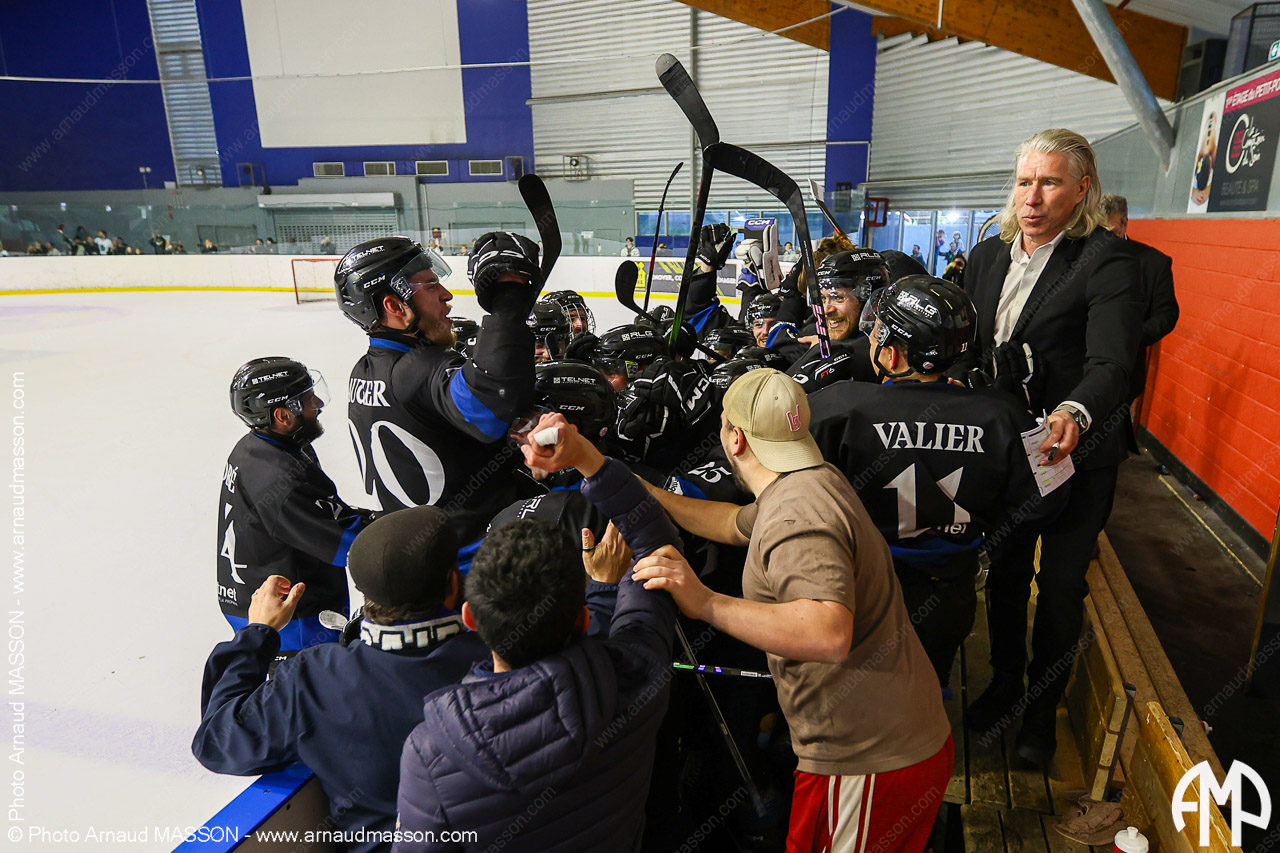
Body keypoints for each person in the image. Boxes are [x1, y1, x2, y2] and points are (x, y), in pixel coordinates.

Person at [631, 369, 952, 851]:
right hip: (900, 738)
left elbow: (827, 632)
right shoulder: (809, 480)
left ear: (735, 438)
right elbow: (732, 523)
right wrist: (651, 495)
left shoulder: (793, 510)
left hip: (868, 760)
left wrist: (705, 602)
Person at [394, 414, 682, 852]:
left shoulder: (431, 752)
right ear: (583, 619)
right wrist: (587, 458)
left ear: (471, 619)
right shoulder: (640, 673)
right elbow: (658, 545)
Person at [953, 128, 1141, 766]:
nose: (1032, 198)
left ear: (1082, 189)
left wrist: (1074, 410)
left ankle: (1041, 708)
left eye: (1050, 183)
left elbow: (1112, 363)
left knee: (1059, 588)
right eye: (1024, 182)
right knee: (1005, 574)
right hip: (1011, 451)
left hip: (1079, 452)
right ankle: (1005, 681)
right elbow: (967, 346)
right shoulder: (987, 256)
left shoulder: (1106, 261)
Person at [808, 276, 1060, 686]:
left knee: (858, 694)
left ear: (891, 354)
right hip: (949, 595)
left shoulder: (839, 407)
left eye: (876, 332)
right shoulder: (1001, 415)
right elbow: (1046, 501)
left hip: (861, 593)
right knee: (928, 686)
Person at [194, 505, 489, 853]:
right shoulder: (498, 657)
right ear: (454, 583)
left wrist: (257, 634)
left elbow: (216, 741)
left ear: (365, 594)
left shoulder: (314, 677)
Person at [338, 235, 538, 564]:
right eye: (430, 286)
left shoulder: (364, 371)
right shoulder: (417, 368)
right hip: (472, 564)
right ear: (394, 306)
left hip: (420, 557)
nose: (446, 295)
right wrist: (508, 298)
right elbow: (488, 406)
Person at [220, 358, 372, 650]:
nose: (318, 404)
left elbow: (316, 514)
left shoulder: (256, 448)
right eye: (308, 399)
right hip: (296, 621)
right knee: (313, 678)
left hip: (255, 601)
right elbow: (348, 547)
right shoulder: (281, 479)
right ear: (283, 415)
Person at [1100, 193, 1179, 407]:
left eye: (1112, 233)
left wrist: (1131, 337)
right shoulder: (1079, 255)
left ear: (1124, 224)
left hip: (1124, 372)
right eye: (1099, 233)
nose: (1105, 241)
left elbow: (1167, 314)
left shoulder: (1154, 263)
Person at [786, 248, 888, 392]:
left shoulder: (887, 354)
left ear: (873, 301)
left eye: (838, 298)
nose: (826, 310)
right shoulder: (815, 334)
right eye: (822, 298)